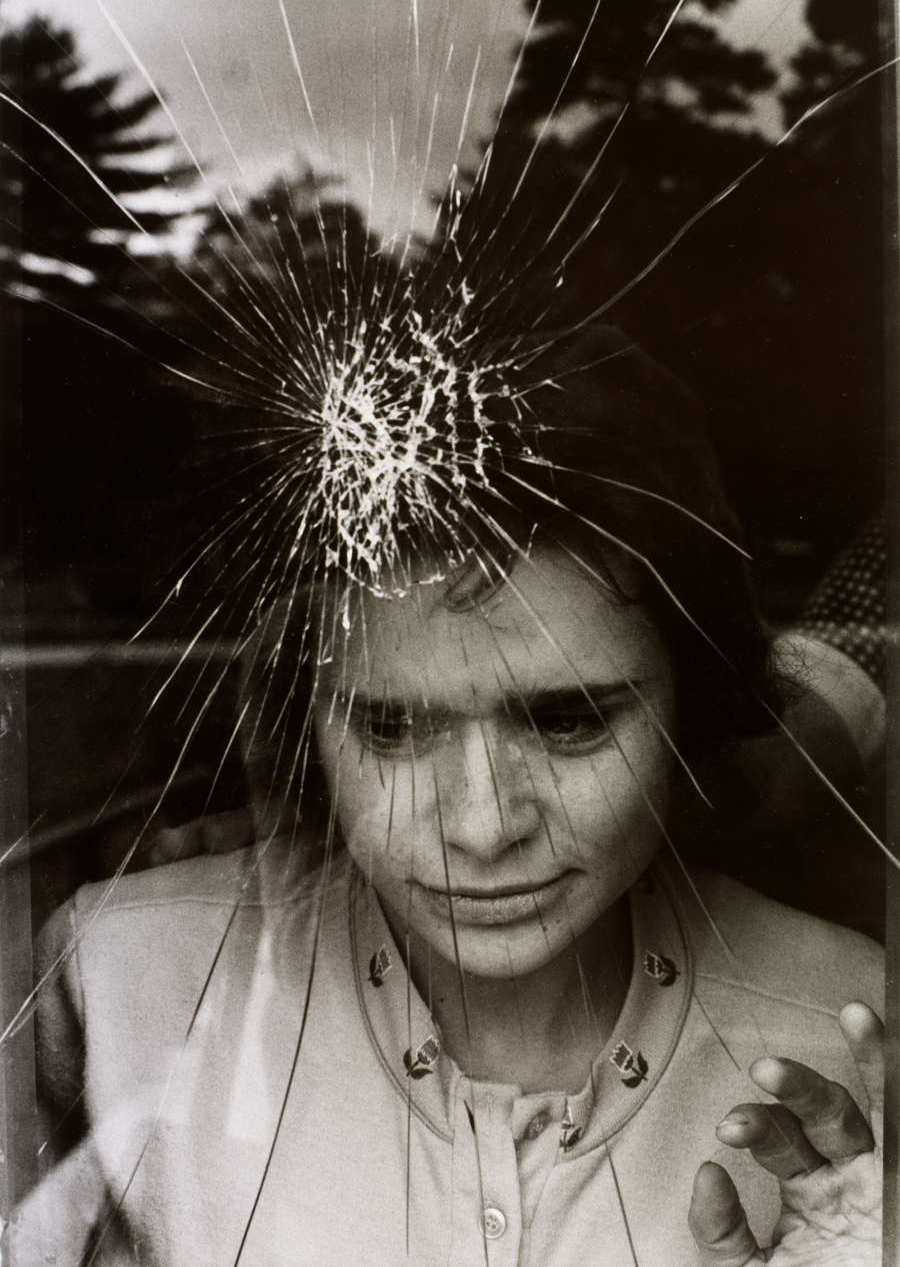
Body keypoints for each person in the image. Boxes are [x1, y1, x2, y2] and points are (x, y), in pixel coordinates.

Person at [10, 323, 883, 1265]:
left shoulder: (853, 1029)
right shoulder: (120, 977)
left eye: (569, 720)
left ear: (694, 703)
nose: (482, 825)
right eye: (390, 728)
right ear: (303, 725)